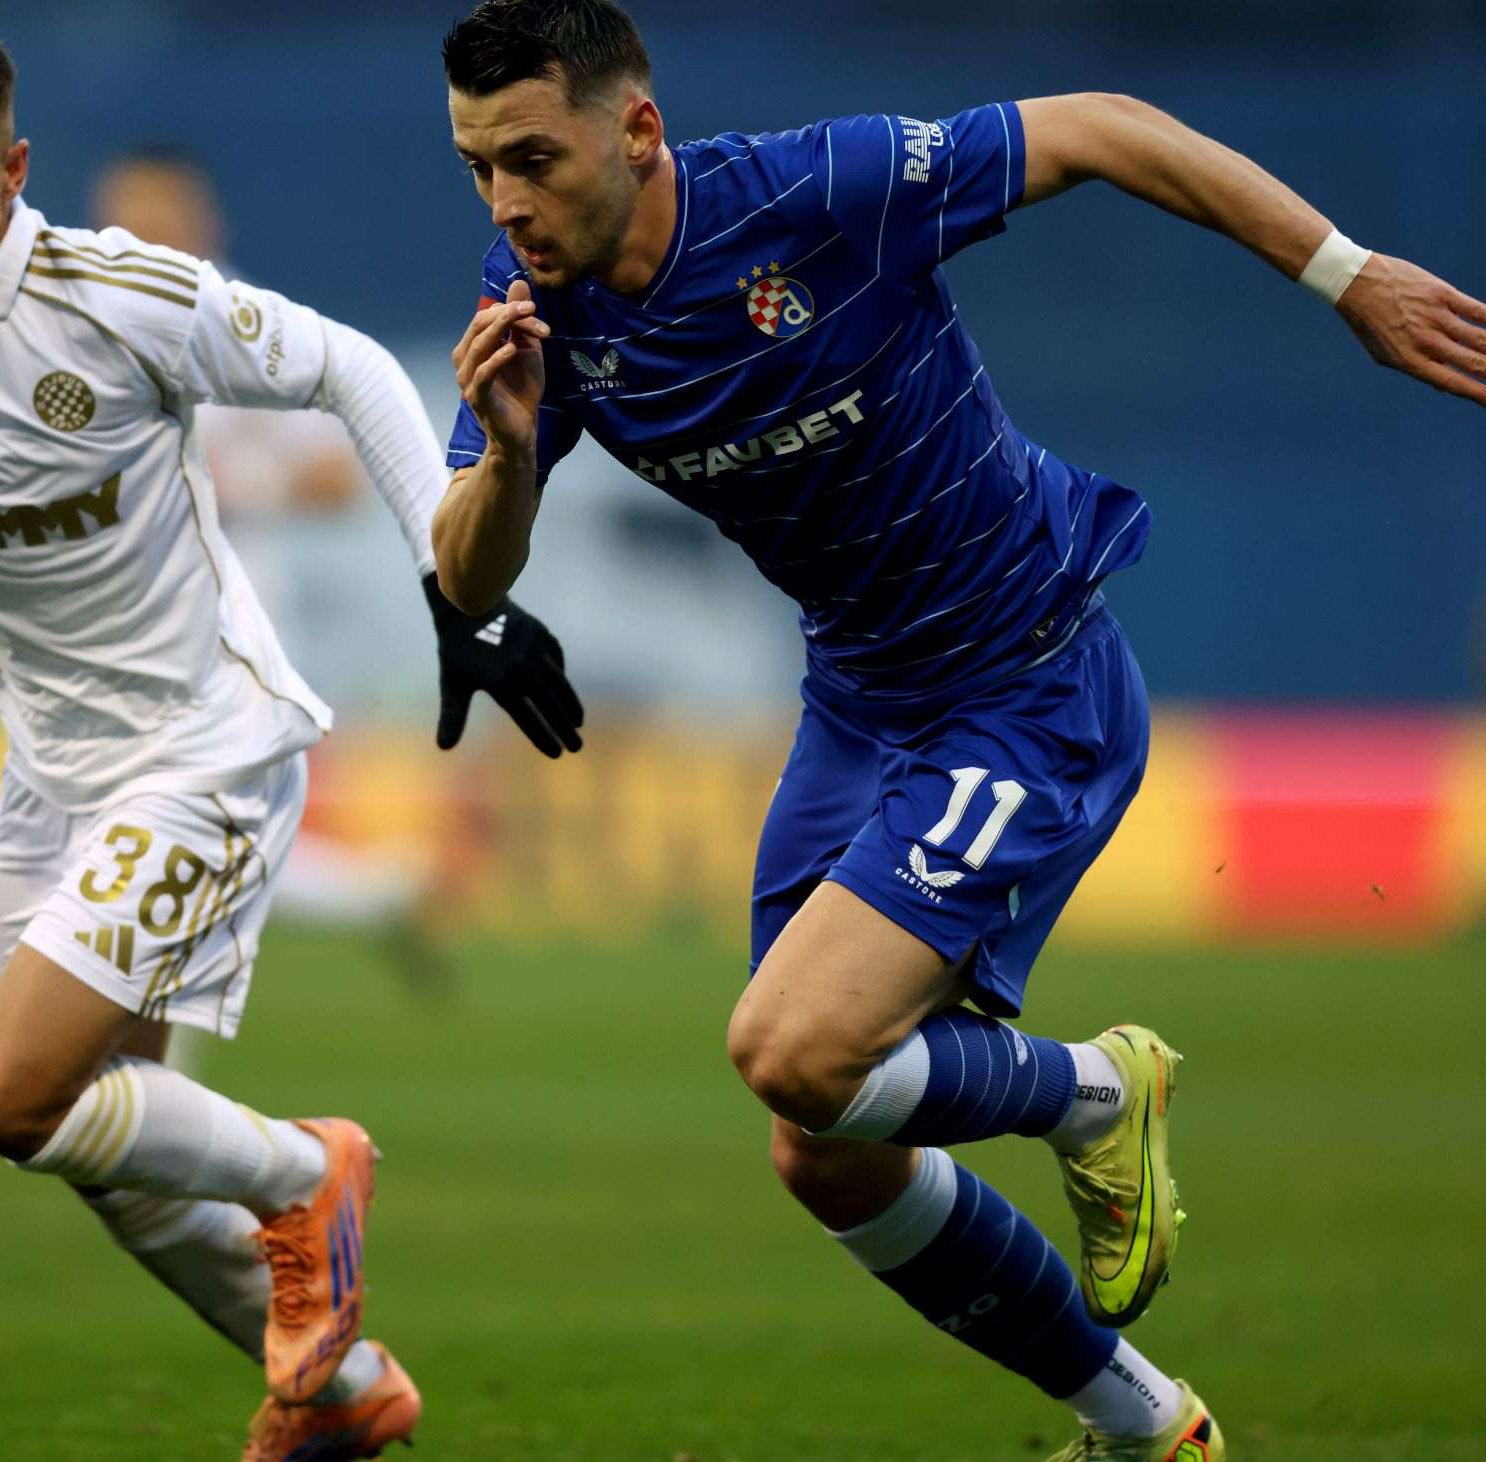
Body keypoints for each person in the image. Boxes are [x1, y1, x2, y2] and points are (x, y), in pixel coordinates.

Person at [433, 2, 1484, 1457]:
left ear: (637, 130)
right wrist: (507, 453)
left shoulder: (821, 191)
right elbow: (468, 577)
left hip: (1025, 681)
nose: (505, 202)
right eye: (478, 167)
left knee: (791, 1051)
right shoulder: (532, 307)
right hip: (859, 703)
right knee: (825, 1147)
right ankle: (1148, 1425)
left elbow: (1107, 128)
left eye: (533, 159)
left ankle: (1097, 1087)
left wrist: (1345, 275)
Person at [0, 17, 583, 1458]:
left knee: (5, 1094)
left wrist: (450, 583)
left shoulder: (116, 293)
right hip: (52, 775)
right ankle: (343, 1393)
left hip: (203, 750)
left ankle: (305, 1171)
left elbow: (351, 365)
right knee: (104, 1143)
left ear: (12, 169)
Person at [90, 148, 450, 1000]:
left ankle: (147, 1040)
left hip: (227, 608)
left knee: (160, 826)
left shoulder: (242, 321)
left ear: (202, 221)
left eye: (159, 213)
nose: (139, 232)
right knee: (170, 830)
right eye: (125, 214)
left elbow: (337, 477)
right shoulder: (80, 320)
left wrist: (233, 486)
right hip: (115, 609)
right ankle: (373, 895)